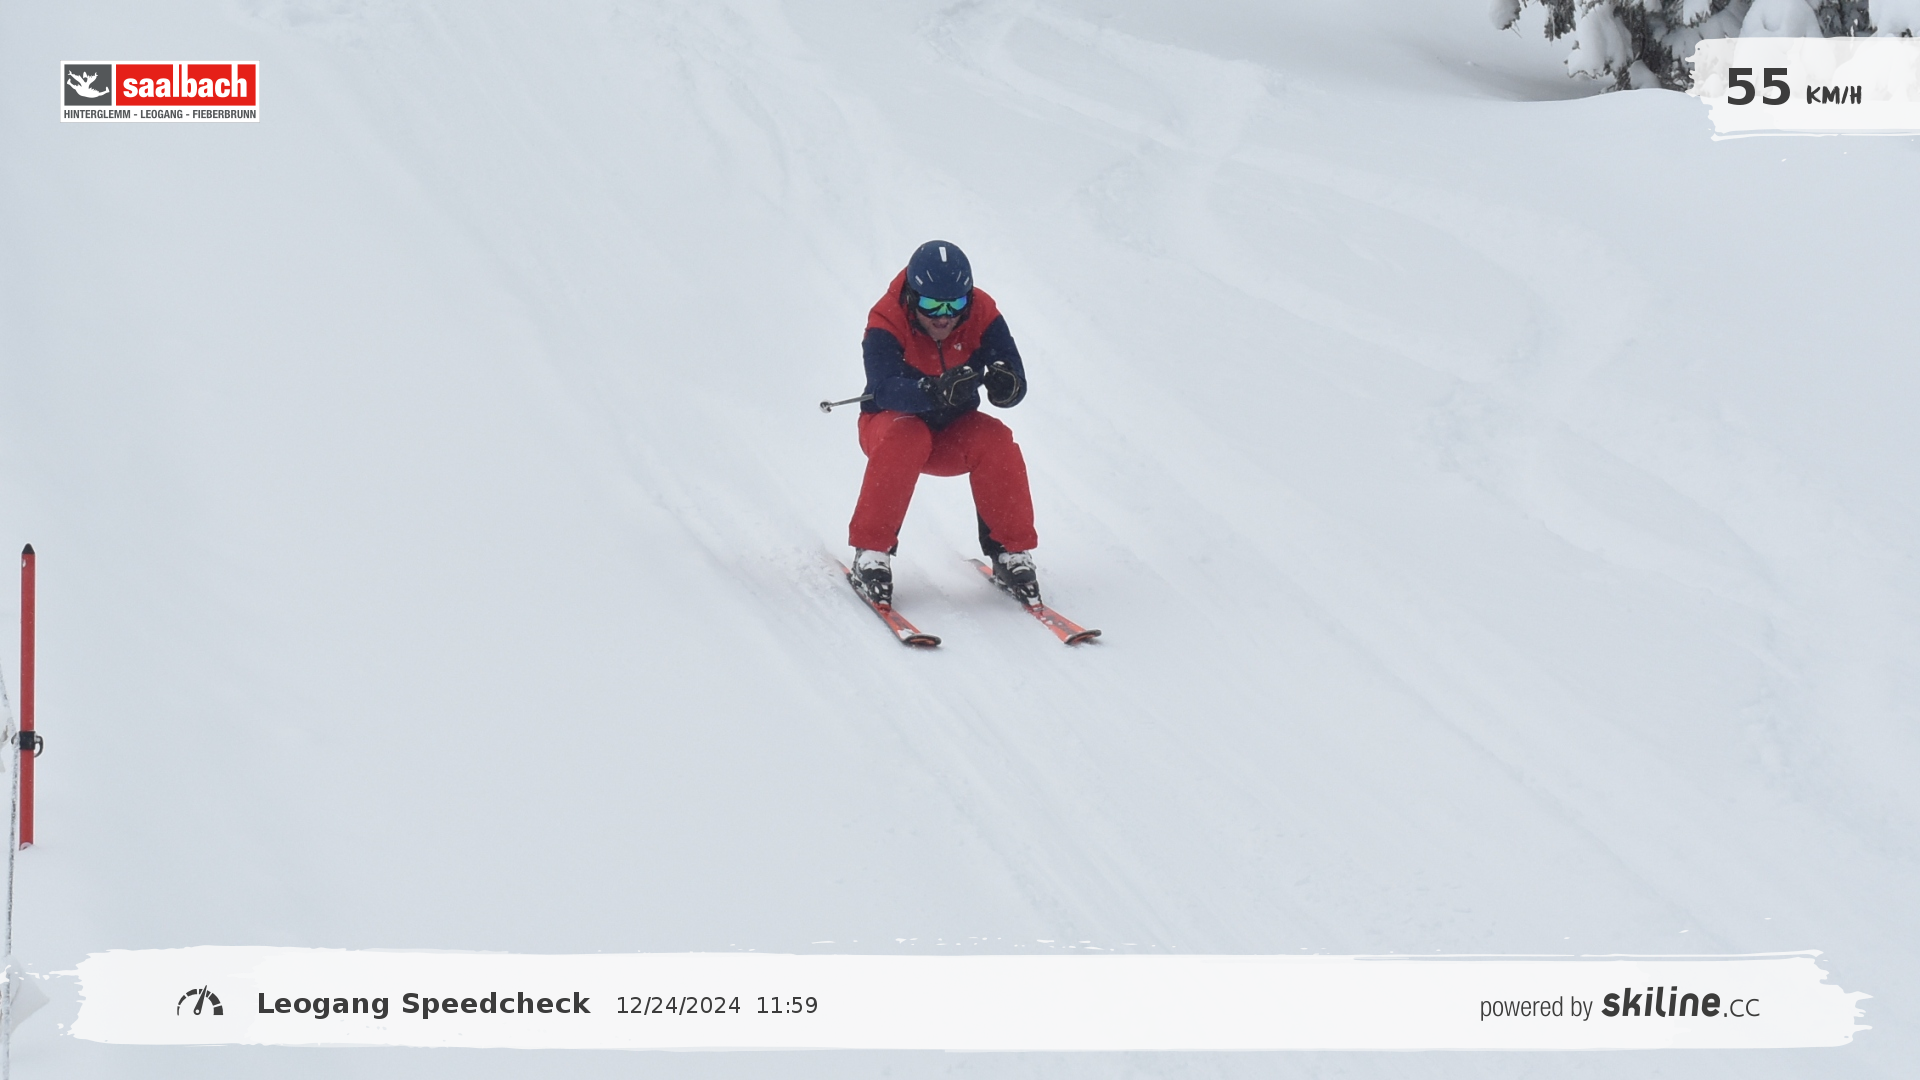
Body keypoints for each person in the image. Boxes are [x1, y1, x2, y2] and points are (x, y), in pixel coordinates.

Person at [846, 241, 1040, 608]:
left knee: (997, 440)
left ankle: (1010, 552)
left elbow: (1012, 370)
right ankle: (871, 553)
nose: (943, 317)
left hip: (952, 430)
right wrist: (932, 391)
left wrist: (1008, 386)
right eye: (931, 305)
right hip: (889, 426)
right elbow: (883, 388)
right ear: (911, 297)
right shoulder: (887, 318)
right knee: (908, 436)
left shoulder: (982, 313)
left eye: (955, 305)